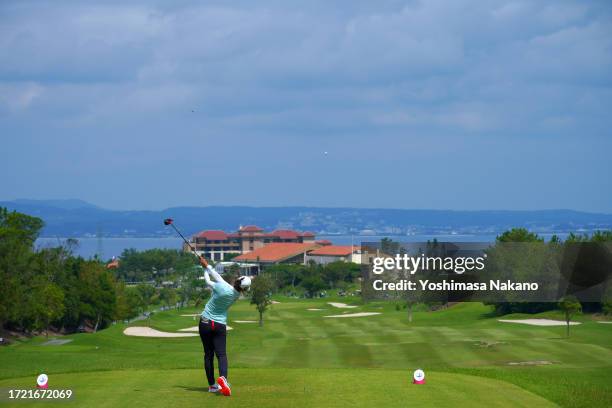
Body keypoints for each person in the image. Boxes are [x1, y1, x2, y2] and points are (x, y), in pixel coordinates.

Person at [197, 256, 251, 397]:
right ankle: (223, 379)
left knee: (208, 355)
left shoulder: (222, 287)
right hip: (219, 325)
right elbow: (217, 276)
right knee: (221, 354)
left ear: (237, 280)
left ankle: (212, 386)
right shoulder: (236, 295)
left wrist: (204, 269)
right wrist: (207, 267)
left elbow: (209, 280)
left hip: (205, 322)